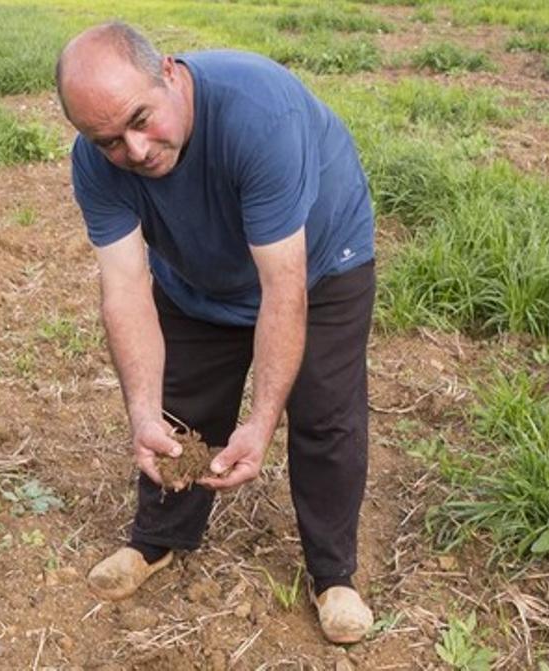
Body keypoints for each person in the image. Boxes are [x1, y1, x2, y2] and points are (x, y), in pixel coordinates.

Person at [56, 22, 377, 644]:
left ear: (170, 72)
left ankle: (334, 573)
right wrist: (143, 411)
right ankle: (157, 541)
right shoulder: (96, 165)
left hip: (319, 263)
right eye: (109, 141)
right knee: (181, 410)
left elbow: (283, 290)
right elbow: (125, 288)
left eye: (141, 119)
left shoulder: (259, 115)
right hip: (199, 271)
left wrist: (259, 424)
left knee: (324, 412)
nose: (137, 150)